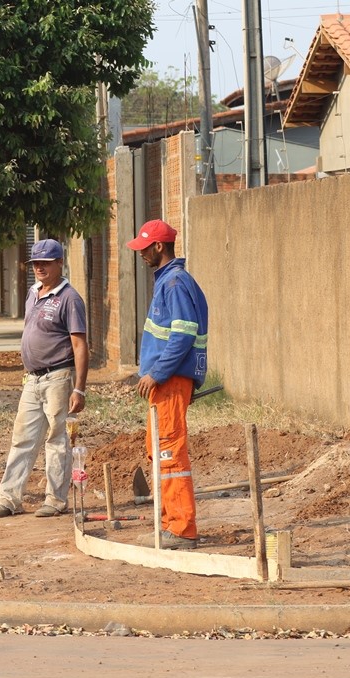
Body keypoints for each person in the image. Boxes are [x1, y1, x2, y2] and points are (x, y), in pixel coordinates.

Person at [0, 238, 89, 519]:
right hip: (32, 380)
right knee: (22, 438)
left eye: (45, 262)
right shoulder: (33, 293)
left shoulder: (69, 299)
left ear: (59, 263)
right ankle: (9, 499)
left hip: (58, 377)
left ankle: (55, 500)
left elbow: (80, 345)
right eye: (36, 263)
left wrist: (79, 389)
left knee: (57, 439)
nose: (39, 268)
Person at [127, 219, 209, 550]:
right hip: (166, 382)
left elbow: (183, 334)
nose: (141, 254)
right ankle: (168, 523)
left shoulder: (174, 283)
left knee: (169, 451)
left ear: (158, 247)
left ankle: (182, 528)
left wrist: (157, 373)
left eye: (144, 248)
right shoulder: (169, 281)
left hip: (171, 381)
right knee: (158, 450)